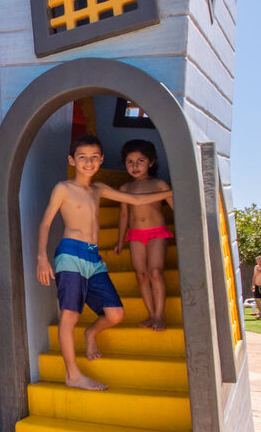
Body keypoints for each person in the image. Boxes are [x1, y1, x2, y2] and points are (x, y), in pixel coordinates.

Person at [37, 135, 173, 390]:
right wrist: (42, 258)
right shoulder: (63, 188)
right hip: (70, 253)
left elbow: (136, 200)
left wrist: (172, 191)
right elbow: (45, 223)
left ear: (101, 160)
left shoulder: (98, 188)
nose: (88, 162)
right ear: (72, 160)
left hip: (93, 257)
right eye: (82, 157)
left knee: (115, 313)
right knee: (70, 315)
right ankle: (73, 374)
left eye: (93, 157)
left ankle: (91, 333)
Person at [113, 139, 174, 331]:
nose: (135, 166)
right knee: (141, 275)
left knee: (155, 272)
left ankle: (159, 315)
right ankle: (150, 314)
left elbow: (176, 209)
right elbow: (124, 215)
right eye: (129, 161)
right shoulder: (125, 189)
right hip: (135, 235)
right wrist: (120, 240)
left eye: (140, 160)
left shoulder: (160, 184)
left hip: (157, 233)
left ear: (151, 162)